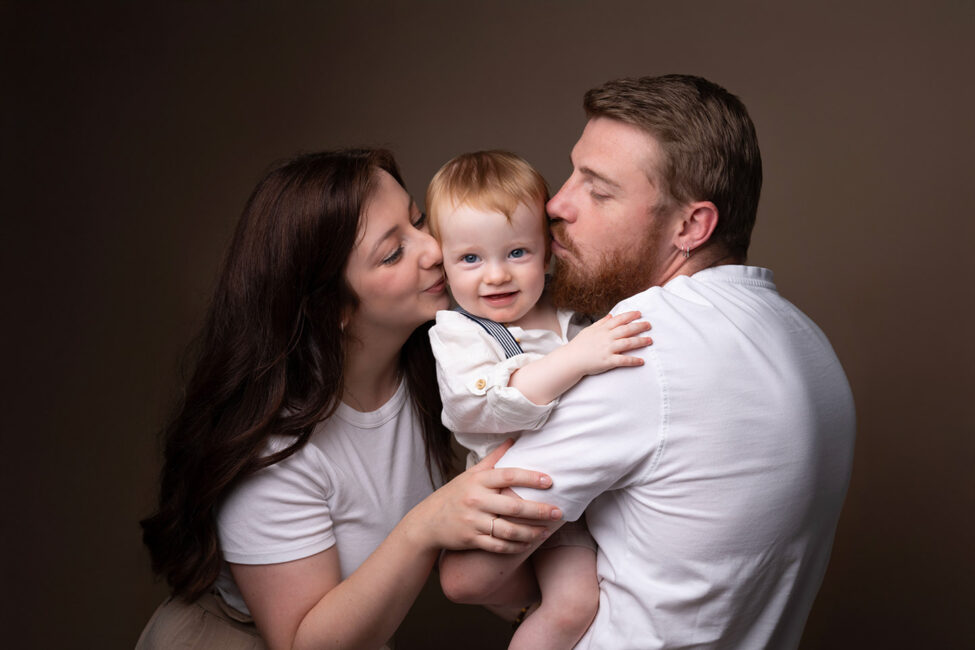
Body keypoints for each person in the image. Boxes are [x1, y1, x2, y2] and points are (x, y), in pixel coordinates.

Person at [439, 75, 857, 649]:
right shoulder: (808, 342)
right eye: (572, 173)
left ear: (690, 226)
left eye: (598, 190)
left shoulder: (635, 350)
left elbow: (468, 574)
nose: (556, 205)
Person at [136, 149, 563, 650]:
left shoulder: (442, 361)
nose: (433, 248)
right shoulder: (276, 450)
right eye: (392, 252)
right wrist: (422, 528)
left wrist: (561, 612)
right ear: (331, 306)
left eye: (418, 220)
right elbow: (304, 643)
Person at [425, 151, 653, 649]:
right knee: (573, 607)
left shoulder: (573, 305)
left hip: (596, 491)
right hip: (522, 498)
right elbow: (474, 406)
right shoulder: (459, 331)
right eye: (470, 258)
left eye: (516, 253)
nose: (496, 276)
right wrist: (575, 361)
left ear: (547, 252)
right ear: (442, 262)